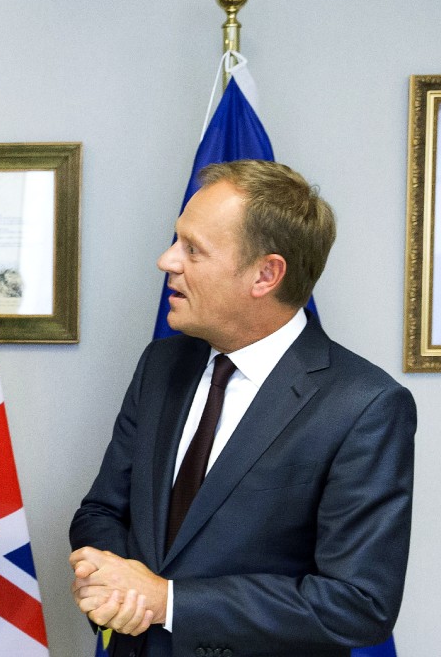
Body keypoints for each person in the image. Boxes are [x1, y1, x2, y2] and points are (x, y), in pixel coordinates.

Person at [69, 160, 415, 657]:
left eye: (193, 249)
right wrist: (112, 582)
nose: (167, 261)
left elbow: (357, 603)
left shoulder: (364, 406)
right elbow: (103, 510)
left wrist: (168, 600)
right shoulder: (162, 365)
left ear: (265, 274)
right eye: (176, 241)